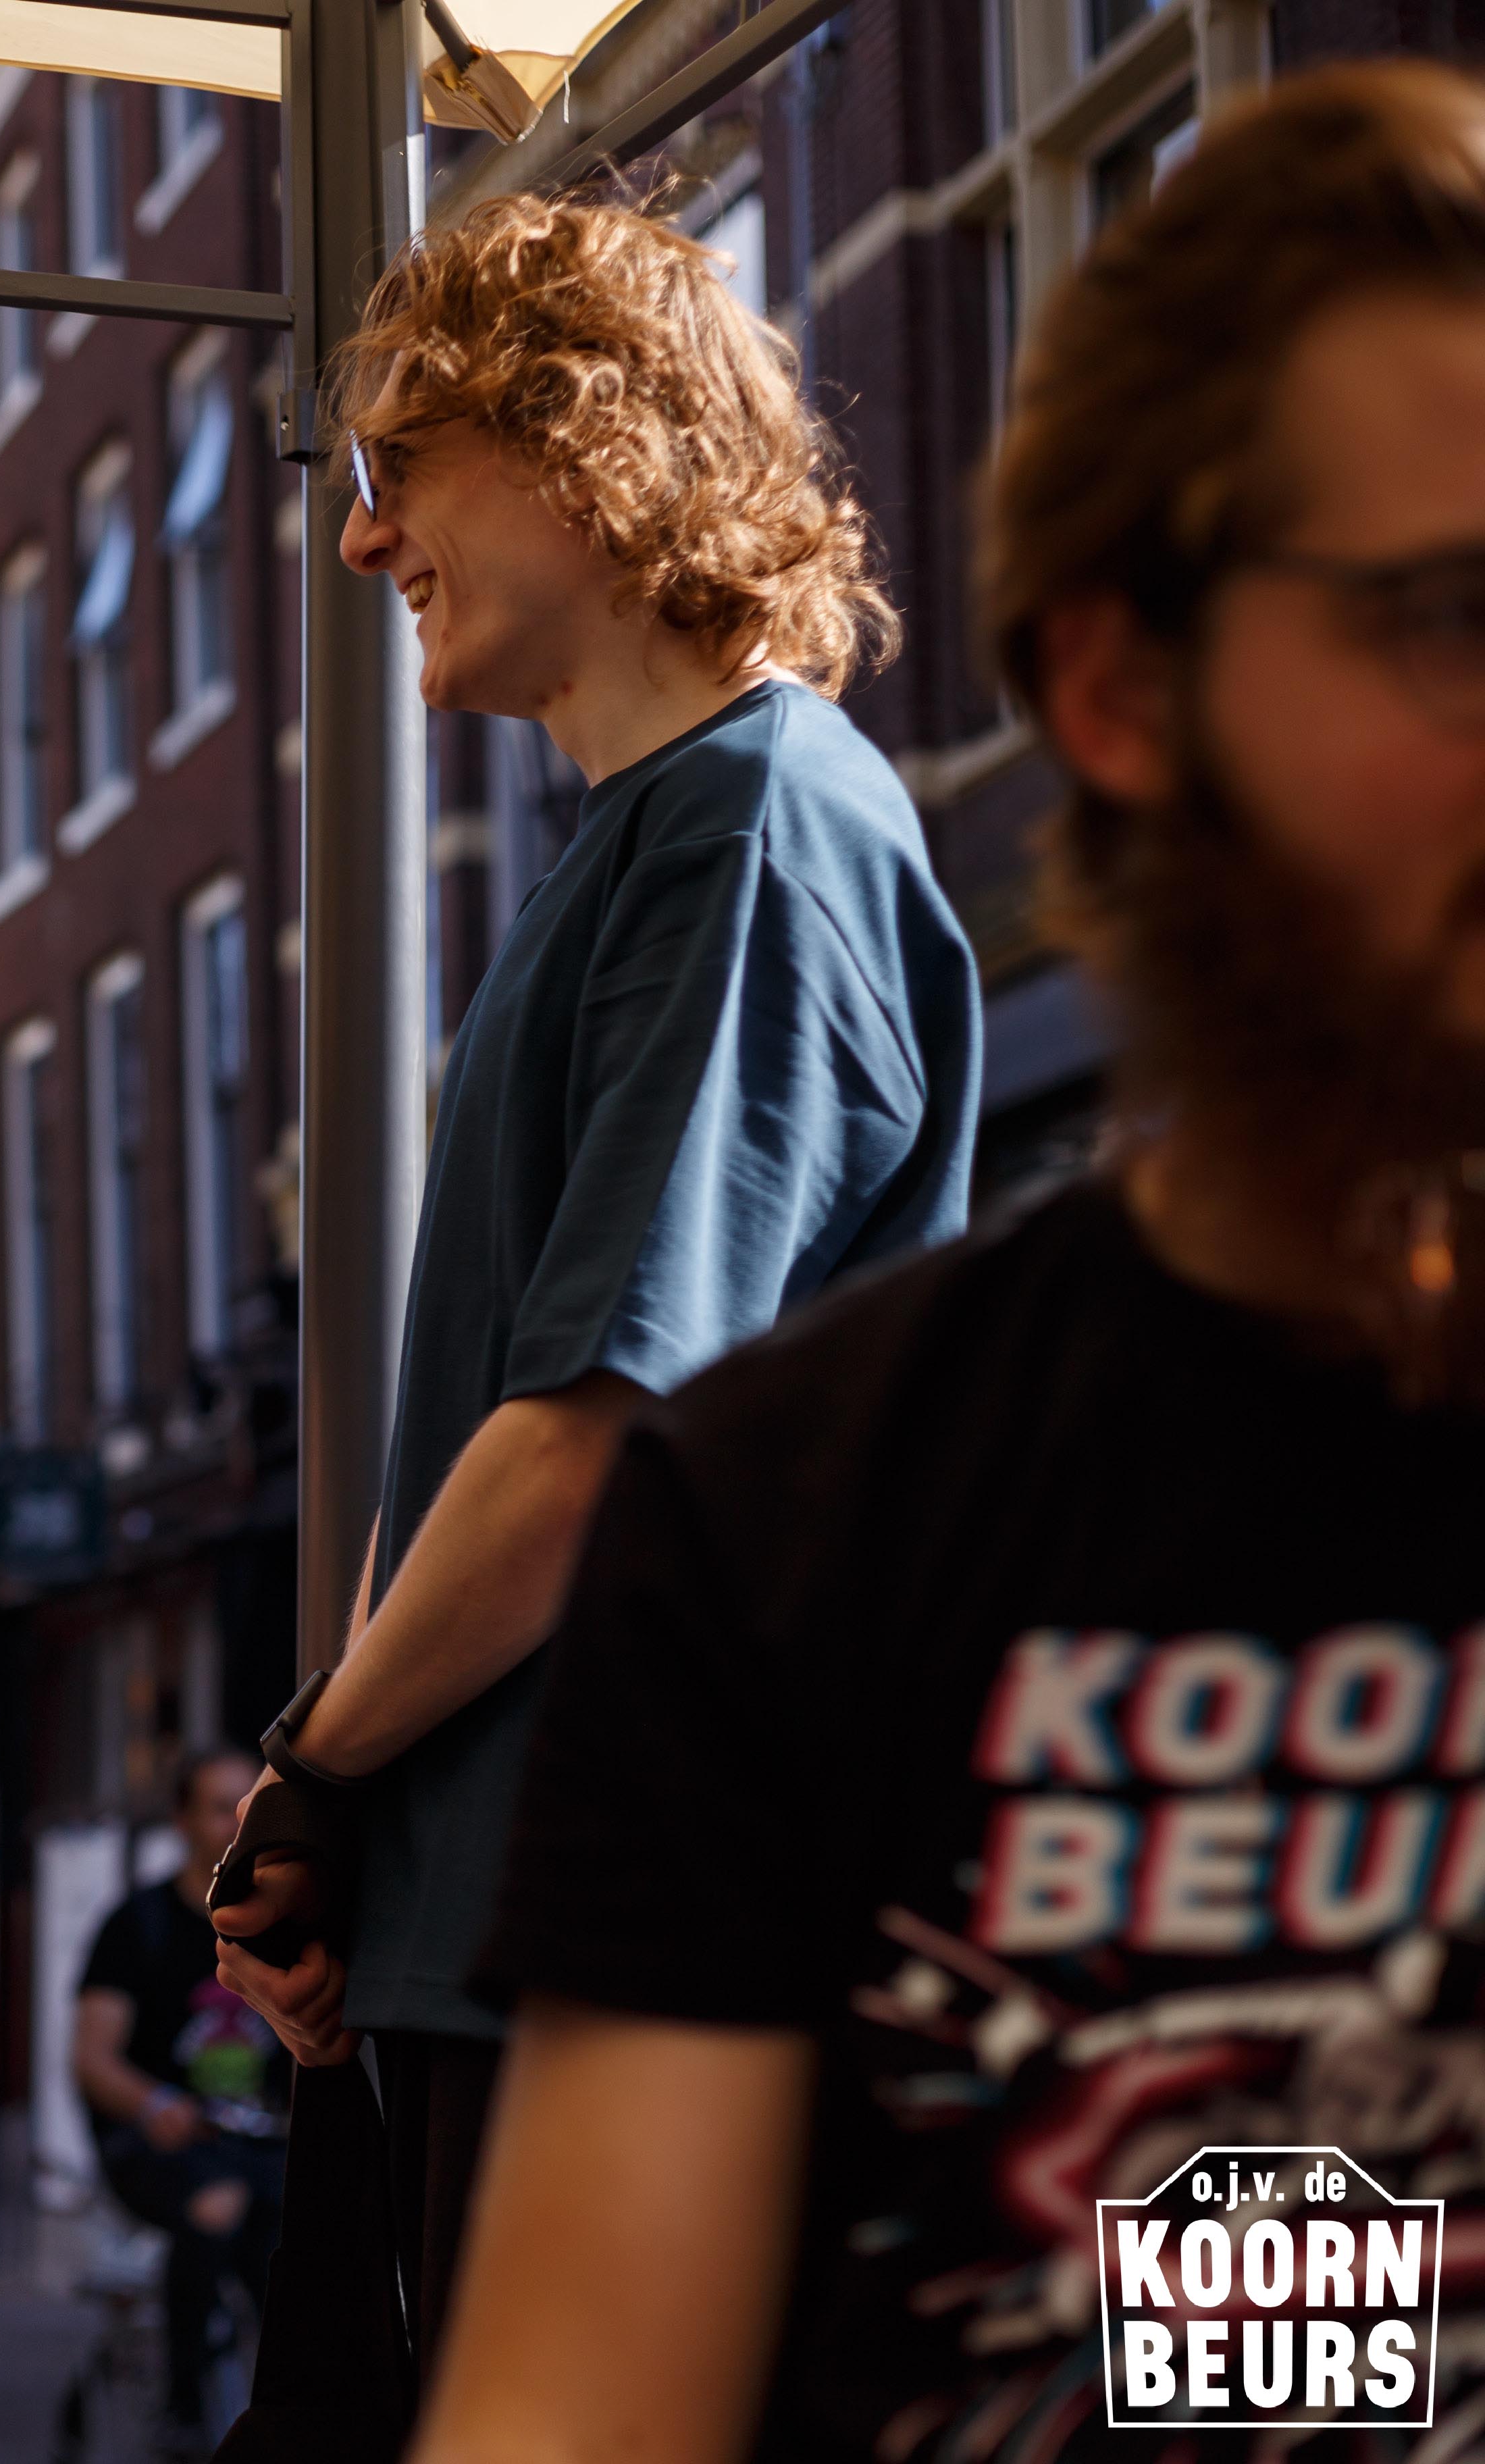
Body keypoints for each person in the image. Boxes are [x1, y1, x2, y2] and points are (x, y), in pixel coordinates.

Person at [409, 63, 1485, 2463]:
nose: (370, 530)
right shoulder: (799, 1532)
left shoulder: (747, 820)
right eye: (1451, 620)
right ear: (1121, 690)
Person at [206, 186, 986, 2417]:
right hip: (516, 1936)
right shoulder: (645, 844)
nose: (361, 536)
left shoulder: (755, 829)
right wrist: (354, 1831)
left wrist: (315, 1763)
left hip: (655, 1940)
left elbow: (595, 1446)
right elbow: (506, 1427)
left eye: (395, 465)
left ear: (580, 438)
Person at [77, 1747, 288, 2452]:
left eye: (248, 1807)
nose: (237, 1825)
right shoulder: (138, 1925)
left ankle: (291, 2410)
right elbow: (92, 2060)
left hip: (257, 2141)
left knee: (299, 2238)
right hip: (156, 2144)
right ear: (182, 1820)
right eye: (219, 1808)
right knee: (215, 2204)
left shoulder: (278, 1927)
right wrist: (154, 2105)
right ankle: (184, 2408)